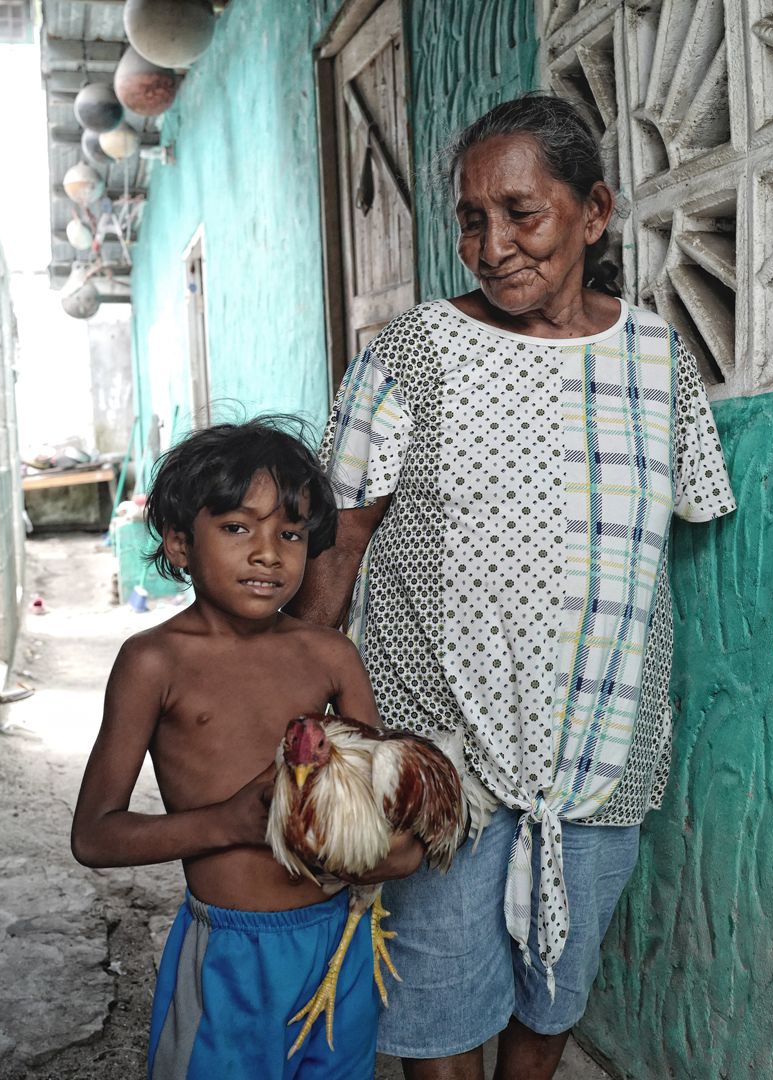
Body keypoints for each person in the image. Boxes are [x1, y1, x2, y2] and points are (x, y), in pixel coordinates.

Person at [291, 94, 736, 1080]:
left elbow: (675, 529)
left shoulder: (661, 361)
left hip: (599, 754)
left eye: (521, 212)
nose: (492, 247)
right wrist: (288, 720)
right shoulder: (410, 354)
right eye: (470, 218)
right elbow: (340, 544)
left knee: (552, 1003)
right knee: (438, 1021)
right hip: (439, 753)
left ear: (594, 211)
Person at [70, 419, 422, 1079]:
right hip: (230, 951)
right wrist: (227, 823)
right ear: (179, 542)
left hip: (340, 943)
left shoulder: (331, 656)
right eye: (238, 528)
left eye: (289, 534)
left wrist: (392, 852)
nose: (268, 553)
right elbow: (95, 836)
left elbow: (385, 804)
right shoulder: (154, 663)